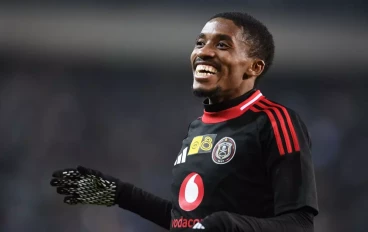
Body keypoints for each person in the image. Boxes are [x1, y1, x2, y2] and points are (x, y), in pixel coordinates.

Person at [50, 12, 319, 231]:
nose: (204, 52)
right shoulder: (197, 128)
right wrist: (119, 194)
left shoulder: (275, 120)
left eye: (222, 44)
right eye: (200, 43)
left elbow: (300, 224)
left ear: (254, 67)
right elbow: (185, 221)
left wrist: (226, 225)